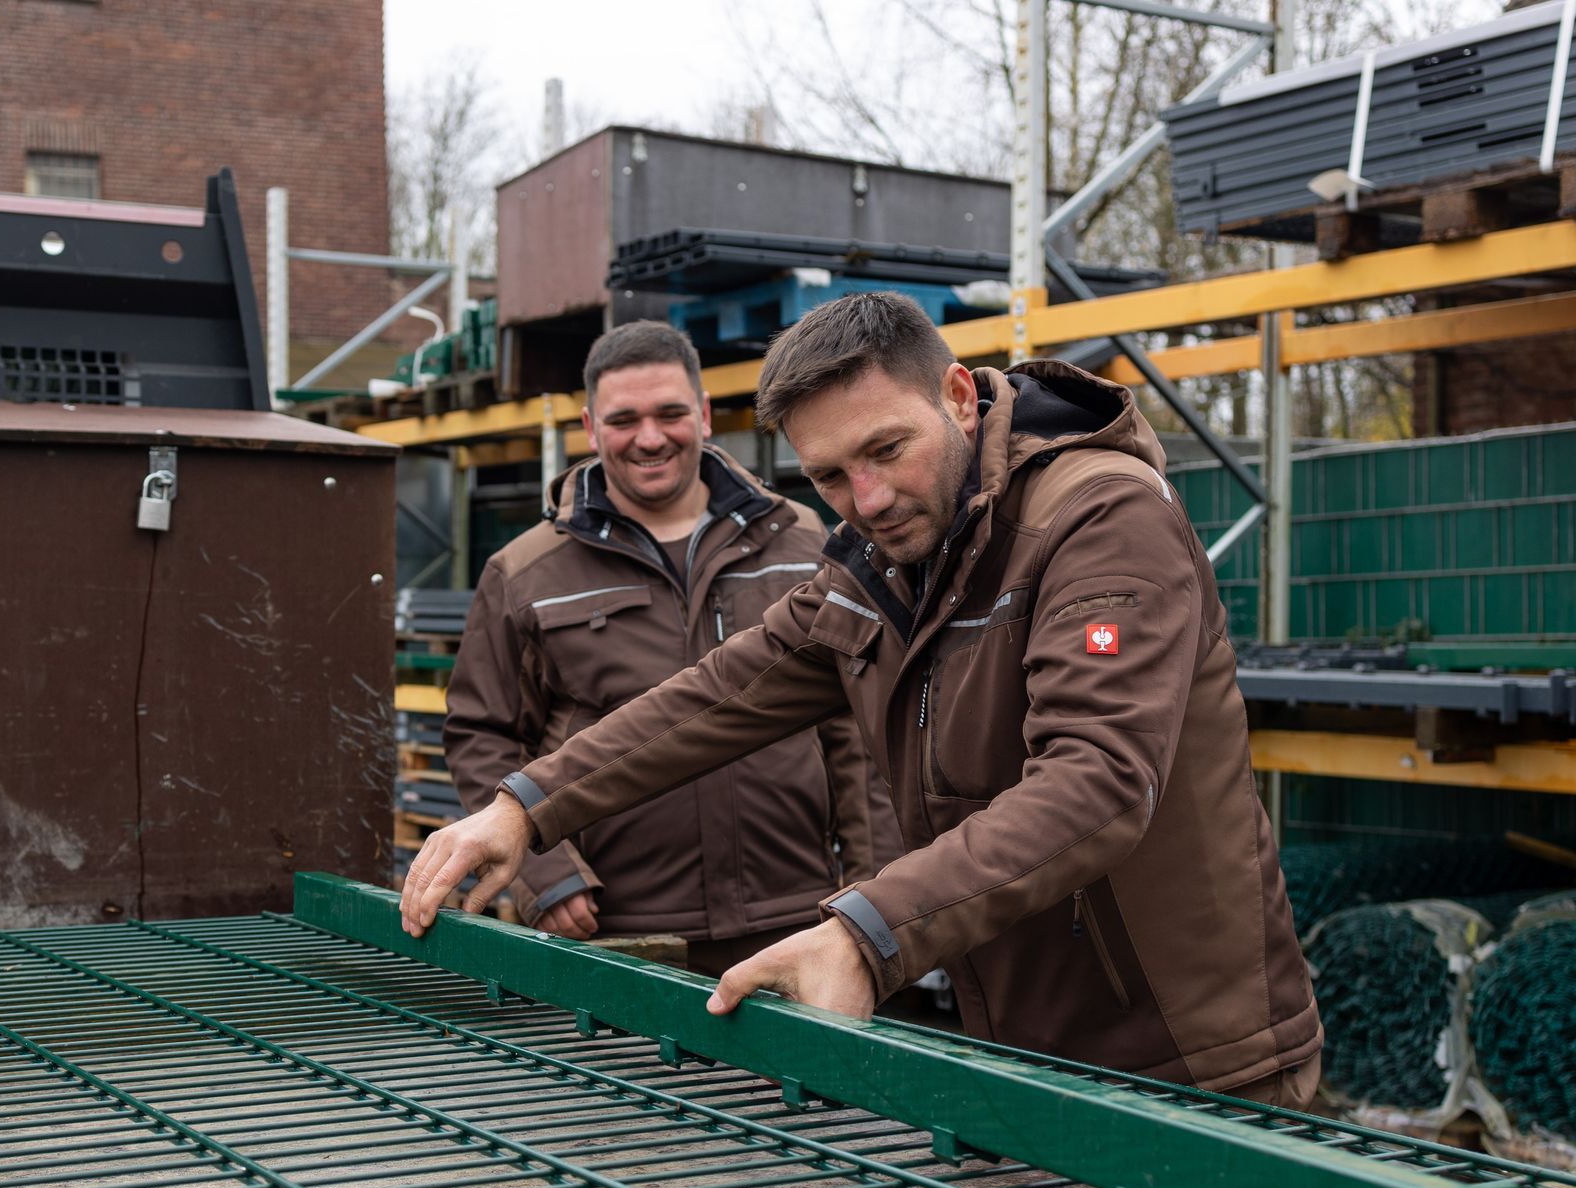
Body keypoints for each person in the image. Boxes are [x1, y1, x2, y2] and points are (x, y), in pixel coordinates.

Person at [404, 292, 1322, 1106]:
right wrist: (524, 808)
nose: (867, 499)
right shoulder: (887, 559)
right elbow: (721, 694)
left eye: (887, 449)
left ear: (959, 399)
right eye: (832, 477)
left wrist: (865, 934)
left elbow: (1100, 780)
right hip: (1017, 1050)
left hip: (1193, 1063)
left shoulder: (1099, 518)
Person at [442, 320, 900, 977]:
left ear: (705, 415)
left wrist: (872, 891)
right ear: (591, 427)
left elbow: (858, 730)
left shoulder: (801, 541)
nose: (650, 438)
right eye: (623, 419)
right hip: (616, 932)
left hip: (797, 917)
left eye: (670, 413)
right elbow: (479, 733)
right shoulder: (525, 573)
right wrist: (545, 877)